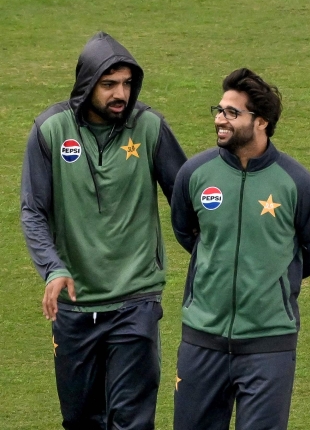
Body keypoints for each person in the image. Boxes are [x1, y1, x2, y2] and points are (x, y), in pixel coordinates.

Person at [20, 31, 187, 430]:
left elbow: (186, 199)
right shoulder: (50, 130)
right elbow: (33, 211)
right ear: (86, 84)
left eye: (127, 84)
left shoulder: (149, 127)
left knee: (131, 421)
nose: (121, 94)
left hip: (136, 302)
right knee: (81, 420)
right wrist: (53, 268)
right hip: (75, 309)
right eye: (109, 84)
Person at [171, 68, 310, 430]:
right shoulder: (195, 174)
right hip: (202, 339)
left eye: (232, 113)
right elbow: (186, 232)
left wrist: (274, 274)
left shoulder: (297, 182)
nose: (220, 119)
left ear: (261, 121)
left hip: (268, 345)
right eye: (219, 109)